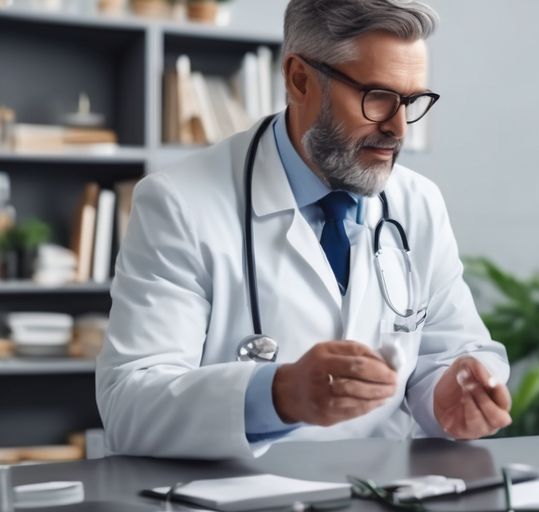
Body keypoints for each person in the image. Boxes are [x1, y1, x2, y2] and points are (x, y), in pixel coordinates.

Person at [96, 0, 512, 459]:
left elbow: (449, 355)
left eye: (411, 101)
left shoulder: (419, 202)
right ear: (299, 79)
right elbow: (128, 406)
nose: (398, 128)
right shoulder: (179, 203)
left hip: (385, 490)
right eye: (378, 96)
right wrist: (279, 394)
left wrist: (451, 395)